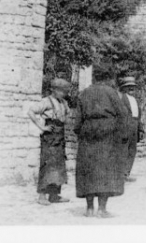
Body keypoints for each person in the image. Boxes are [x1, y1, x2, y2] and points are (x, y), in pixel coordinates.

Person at [74, 77, 129, 218]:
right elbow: (123, 113)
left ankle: (89, 209)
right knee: (106, 169)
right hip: (108, 132)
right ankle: (102, 209)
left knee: (89, 170)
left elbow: (77, 120)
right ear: (107, 78)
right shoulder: (111, 92)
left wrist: (81, 132)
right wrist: (122, 134)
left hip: (88, 131)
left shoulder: (84, 93)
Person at [28, 77, 71, 206]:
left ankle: (54, 195)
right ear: (54, 90)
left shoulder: (63, 102)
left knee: (58, 166)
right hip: (49, 138)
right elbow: (31, 111)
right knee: (47, 165)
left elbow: (67, 115)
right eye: (61, 91)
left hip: (60, 137)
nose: (63, 93)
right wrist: (41, 127)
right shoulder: (46, 102)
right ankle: (42, 196)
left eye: (65, 91)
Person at [117, 76, 143, 183]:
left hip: (134, 127)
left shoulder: (136, 101)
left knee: (132, 151)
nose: (131, 89)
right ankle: (120, 174)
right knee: (123, 150)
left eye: (133, 87)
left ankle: (127, 173)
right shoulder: (122, 99)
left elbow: (138, 117)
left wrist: (140, 129)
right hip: (125, 128)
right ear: (124, 88)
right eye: (129, 87)